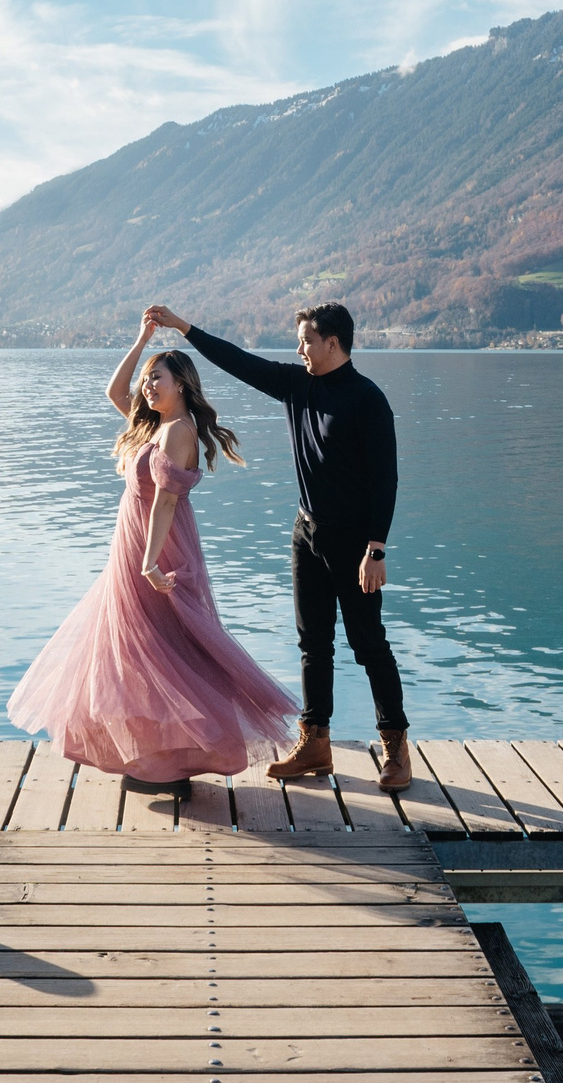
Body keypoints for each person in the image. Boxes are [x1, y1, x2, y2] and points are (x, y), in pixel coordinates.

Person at [6, 313, 297, 782]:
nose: (146, 386)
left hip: (158, 550)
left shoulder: (178, 430)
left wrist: (148, 562)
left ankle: (180, 758)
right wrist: (142, 340)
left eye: (156, 378)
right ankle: (155, 757)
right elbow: (114, 392)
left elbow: (165, 501)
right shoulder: (153, 426)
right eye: (146, 379)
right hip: (135, 546)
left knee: (170, 649)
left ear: (180, 383)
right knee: (142, 651)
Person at [144, 301, 412, 792]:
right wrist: (182, 327)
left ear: (333, 343)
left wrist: (376, 549)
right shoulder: (296, 384)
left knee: (368, 643)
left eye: (307, 340)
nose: (300, 348)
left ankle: (395, 746)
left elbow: (385, 479)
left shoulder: (367, 399)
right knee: (313, 644)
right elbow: (238, 361)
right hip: (307, 534)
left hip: (356, 544)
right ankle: (315, 743)